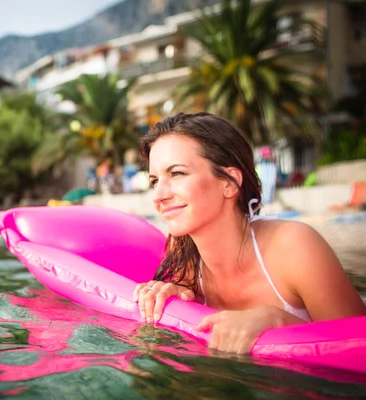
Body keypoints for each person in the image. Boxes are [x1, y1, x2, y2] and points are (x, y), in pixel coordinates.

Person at [133, 112, 366, 354]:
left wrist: (277, 320)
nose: (159, 196)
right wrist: (173, 294)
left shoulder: (293, 247)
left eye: (177, 173)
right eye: (154, 180)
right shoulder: (183, 260)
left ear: (229, 183)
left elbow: (358, 348)